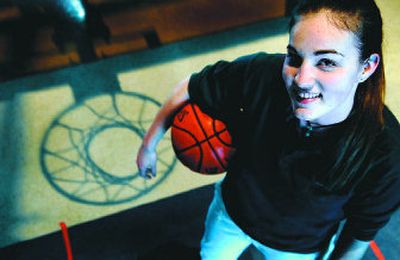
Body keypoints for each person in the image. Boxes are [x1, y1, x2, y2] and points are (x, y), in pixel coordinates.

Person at [137, 0, 400, 259]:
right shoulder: (262, 75)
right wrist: (149, 146)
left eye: (327, 62)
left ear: (366, 67)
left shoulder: (386, 152)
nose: (302, 79)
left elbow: (358, 236)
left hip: (298, 248)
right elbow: (189, 86)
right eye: (295, 57)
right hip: (232, 214)